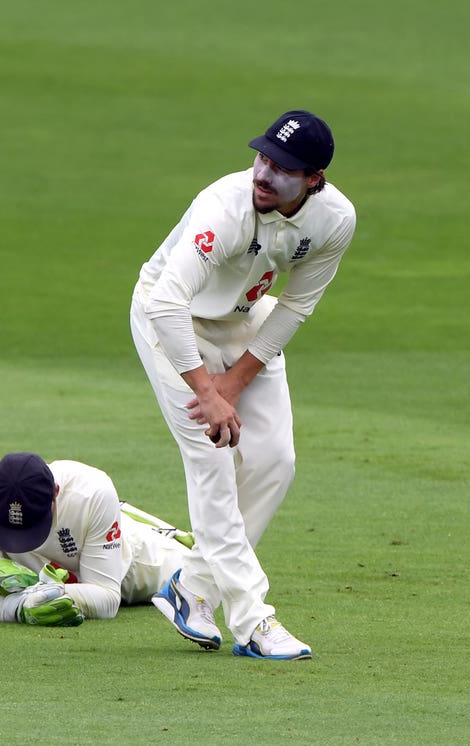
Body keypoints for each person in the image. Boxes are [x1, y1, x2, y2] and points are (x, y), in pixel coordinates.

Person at [130, 109, 356, 660]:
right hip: (172, 324)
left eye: (282, 169)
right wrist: (207, 392)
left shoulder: (335, 219)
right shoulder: (224, 208)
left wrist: (235, 380)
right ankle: (254, 622)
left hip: (247, 321)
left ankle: (193, 586)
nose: (263, 174)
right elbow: (165, 302)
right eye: (262, 158)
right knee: (214, 468)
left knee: (275, 461)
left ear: (313, 180)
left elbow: (298, 302)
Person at [0, 452, 192, 626]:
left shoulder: (92, 492)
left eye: (33, 527)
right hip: (64, 569)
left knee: (203, 570)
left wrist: (38, 596)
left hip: (135, 565)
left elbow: (108, 599)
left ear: (56, 492)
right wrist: (20, 607)